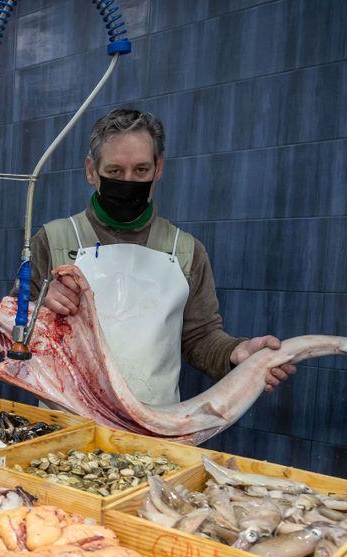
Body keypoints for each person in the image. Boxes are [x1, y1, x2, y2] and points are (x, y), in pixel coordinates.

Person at [28, 109, 294, 404]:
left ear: (159, 168)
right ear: (91, 170)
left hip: (152, 432)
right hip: (66, 426)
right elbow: (14, 330)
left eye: (141, 170)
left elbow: (199, 337)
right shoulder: (52, 240)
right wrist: (39, 307)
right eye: (115, 171)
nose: (128, 182)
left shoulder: (185, 251)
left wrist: (237, 352)